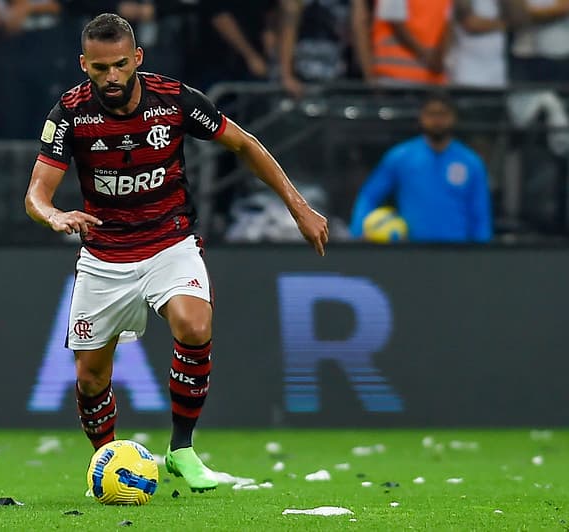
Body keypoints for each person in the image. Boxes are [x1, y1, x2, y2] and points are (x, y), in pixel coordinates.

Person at [24, 13, 328, 492]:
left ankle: (182, 450)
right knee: (89, 377)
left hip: (170, 242)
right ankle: (106, 462)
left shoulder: (174, 99)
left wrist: (298, 206)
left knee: (194, 324)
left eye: (121, 65)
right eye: (100, 68)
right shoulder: (69, 114)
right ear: (85, 65)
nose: (112, 77)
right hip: (105, 256)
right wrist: (53, 215)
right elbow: (36, 192)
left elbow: (244, 144)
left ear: (137, 58)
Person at [350, 91, 493, 242]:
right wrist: (358, 230)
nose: (437, 120)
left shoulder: (470, 162)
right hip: (411, 253)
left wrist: (481, 253)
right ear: (421, 117)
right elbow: (369, 195)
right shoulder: (401, 156)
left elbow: (480, 214)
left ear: (453, 118)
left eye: (443, 114)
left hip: (456, 251)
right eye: (431, 114)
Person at [371, 0, 452, 86]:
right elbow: (395, 23)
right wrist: (432, 60)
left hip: (429, 78)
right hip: (396, 78)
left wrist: (433, 60)